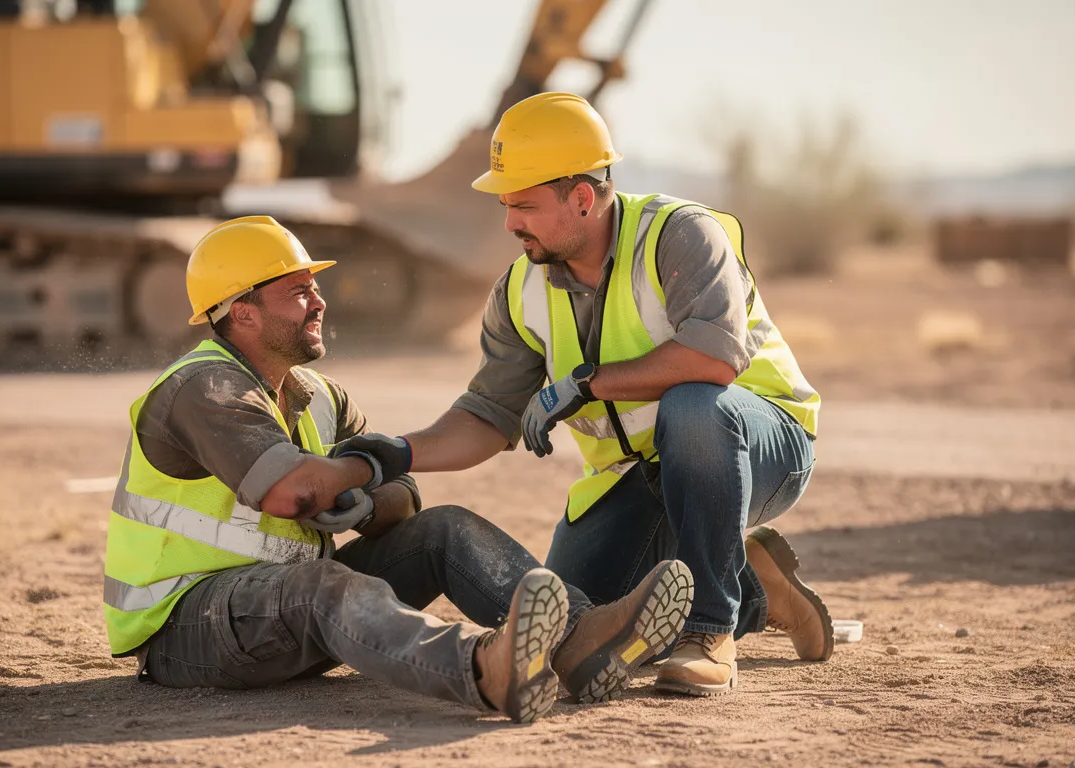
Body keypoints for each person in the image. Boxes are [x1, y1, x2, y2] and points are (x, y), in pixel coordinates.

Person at [332, 92, 833, 697]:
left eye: (524, 205)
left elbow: (713, 359)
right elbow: (487, 418)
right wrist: (396, 454)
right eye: (505, 205)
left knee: (694, 406)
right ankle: (756, 584)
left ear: (582, 196)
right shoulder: (519, 291)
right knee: (585, 628)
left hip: (757, 444)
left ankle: (713, 630)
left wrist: (587, 384)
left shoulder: (681, 236)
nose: (510, 222)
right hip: (638, 476)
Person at [101, 215, 694, 723]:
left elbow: (403, 499)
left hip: (277, 619)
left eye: (315, 286)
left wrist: (363, 497)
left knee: (442, 529)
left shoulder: (319, 395)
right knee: (323, 586)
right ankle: (486, 670)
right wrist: (352, 480)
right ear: (242, 312)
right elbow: (291, 493)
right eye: (297, 290)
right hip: (189, 630)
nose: (320, 301)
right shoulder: (205, 387)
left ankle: (581, 640)